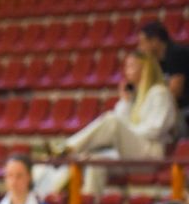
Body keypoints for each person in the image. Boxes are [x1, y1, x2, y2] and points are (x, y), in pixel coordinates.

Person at [58, 50, 178, 193]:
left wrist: (126, 133)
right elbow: (122, 122)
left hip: (150, 153)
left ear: (145, 68)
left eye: (132, 66)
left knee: (111, 121)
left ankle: (66, 148)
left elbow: (156, 128)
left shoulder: (159, 92)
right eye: (126, 66)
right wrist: (126, 102)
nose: (127, 71)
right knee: (95, 161)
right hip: (131, 154)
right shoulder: (135, 95)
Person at [138, 21, 188, 110]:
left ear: (155, 40)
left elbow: (175, 93)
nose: (140, 48)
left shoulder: (176, 54)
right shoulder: (157, 60)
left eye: (143, 43)